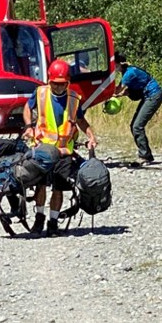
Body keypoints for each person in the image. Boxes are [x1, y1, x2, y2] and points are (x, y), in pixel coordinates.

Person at [22, 59, 97, 235]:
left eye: (62, 84)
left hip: (64, 151)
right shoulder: (40, 93)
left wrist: (91, 136)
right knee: (40, 185)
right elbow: (27, 107)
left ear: (68, 82)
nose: (58, 87)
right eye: (55, 84)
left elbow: (80, 121)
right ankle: (39, 218)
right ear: (49, 81)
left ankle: (53, 222)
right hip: (42, 149)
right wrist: (28, 127)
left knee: (59, 187)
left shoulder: (74, 98)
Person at [113, 51, 162, 166]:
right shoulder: (127, 72)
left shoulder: (129, 73)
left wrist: (105, 92)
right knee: (134, 125)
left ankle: (145, 156)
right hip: (148, 96)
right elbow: (127, 90)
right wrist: (118, 94)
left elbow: (118, 89)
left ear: (120, 64)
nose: (114, 68)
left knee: (137, 126)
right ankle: (146, 155)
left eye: (115, 65)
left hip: (153, 95)